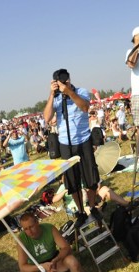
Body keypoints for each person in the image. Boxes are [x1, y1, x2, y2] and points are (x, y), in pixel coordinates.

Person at [43, 69, 102, 228]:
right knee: (72, 182)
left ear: (68, 79)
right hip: (65, 144)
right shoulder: (55, 98)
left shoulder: (80, 91)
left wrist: (69, 92)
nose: (61, 84)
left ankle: (91, 206)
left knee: (90, 178)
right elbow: (47, 118)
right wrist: (51, 94)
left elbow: (85, 107)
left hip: (83, 140)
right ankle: (81, 212)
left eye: (63, 81)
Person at [16, 212, 83, 272]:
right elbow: (22, 267)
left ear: (37, 222)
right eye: (26, 229)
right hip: (38, 268)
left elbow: (66, 248)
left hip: (55, 260)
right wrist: (41, 267)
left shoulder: (49, 228)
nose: (29, 231)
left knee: (72, 261)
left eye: (31, 226)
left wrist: (55, 260)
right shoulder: (21, 239)